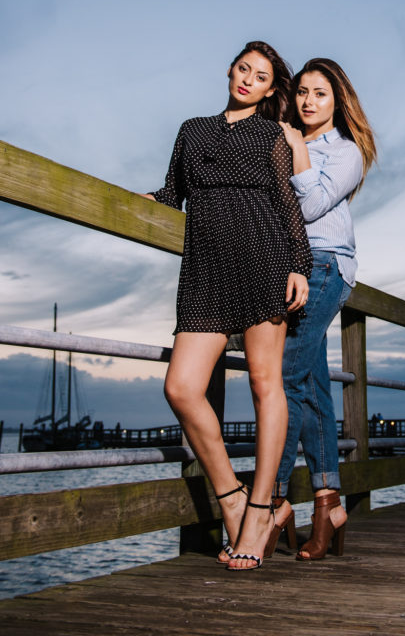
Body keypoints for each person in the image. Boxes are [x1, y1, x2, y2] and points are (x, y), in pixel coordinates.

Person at [140, 40, 312, 572]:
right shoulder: (191, 129)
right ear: (231, 71)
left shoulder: (272, 134)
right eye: (244, 69)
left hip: (264, 259)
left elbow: (287, 201)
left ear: (268, 90)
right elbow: (173, 193)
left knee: (266, 385)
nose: (248, 80)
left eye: (260, 76)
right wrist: (138, 203)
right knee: (181, 386)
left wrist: (299, 263)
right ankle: (231, 497)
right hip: (205, 272)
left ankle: (261, 511)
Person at [271, 57, 377, 560]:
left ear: (338, 103)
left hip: (324, 266)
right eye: (304, 92)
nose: (309, 101)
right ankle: (327, 502)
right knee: (310, 384)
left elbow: (310, 207)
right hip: (284, 267)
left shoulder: (345, 152)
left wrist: (296, 150)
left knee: (282, 375)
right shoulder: (281, 138)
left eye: (321, 93)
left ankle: (269, 501)